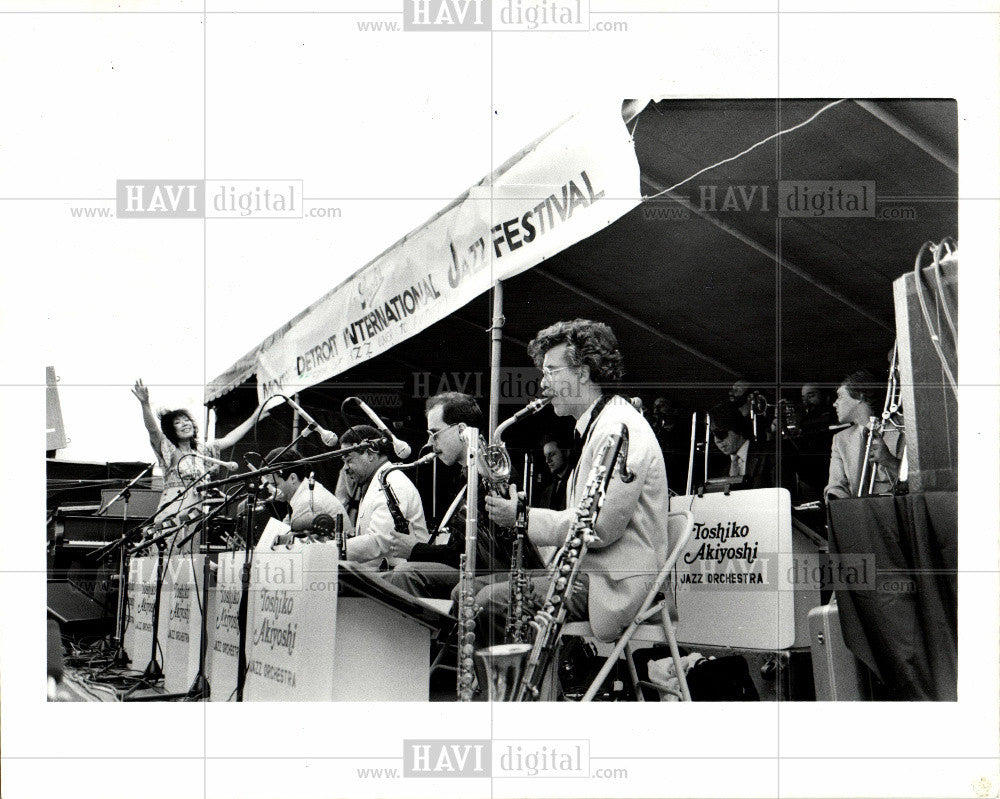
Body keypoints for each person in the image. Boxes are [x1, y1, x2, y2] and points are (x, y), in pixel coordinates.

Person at [481, 318, 669, 647]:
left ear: (583, 372)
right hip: (596, 575)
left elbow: (599, 527)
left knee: (486, 602)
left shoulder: (619, 427)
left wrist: (521, 517)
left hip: (612, 585)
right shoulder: (601, 424)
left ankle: (515, 695)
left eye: (552, 370)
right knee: (469, 592)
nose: (542, 383)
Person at [387, 392, 526, 599]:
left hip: (493, 576)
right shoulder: (467, 474)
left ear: (461, 430)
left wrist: (416, 549)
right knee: (395, 576)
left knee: (405, 575)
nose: (431, 443)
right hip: (480, 572)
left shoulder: (492, 476)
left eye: (435, 433)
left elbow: (476, 556)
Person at [132, 379, 272, 524]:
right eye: (178, 422)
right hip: (172, 513)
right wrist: (145, 404)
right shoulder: (170, 450)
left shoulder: (202, 450)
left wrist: (254, 418)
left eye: (186, 420)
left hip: (194, 515)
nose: (185, 423)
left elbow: (230, 439)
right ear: (171, 430)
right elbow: (153, 431)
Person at [338, 425, 429, 570]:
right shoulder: (377, 481)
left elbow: (378, 541)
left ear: (370, 454)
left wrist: (328, 550)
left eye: (348, 460)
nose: (345, 468)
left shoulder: (392, 481)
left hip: (400, 580)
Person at [824, 370, 905, 500]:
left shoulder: (903, 429)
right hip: (859, 513)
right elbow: (836, 486)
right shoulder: (840, 439)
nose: (835, 403)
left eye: (840, 396)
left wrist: (889, 461)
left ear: (860, 397)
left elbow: (921, 482)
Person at [264, 446, 353, 534]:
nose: (271, 490)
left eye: (274, 485)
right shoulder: (306, 491)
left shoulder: (306, 501)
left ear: (293, 478)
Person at [708, 401, 776, 490]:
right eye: (713, 435)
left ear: (737, 428)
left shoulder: (770, 454)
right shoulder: (722, 470)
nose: (717, 440)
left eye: (721, 434)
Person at [538, 436, 571, 511]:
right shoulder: (547, 491)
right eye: (546, 456)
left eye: (552, 454)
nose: (547, 460)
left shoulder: (576, 484)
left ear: (566, 452)